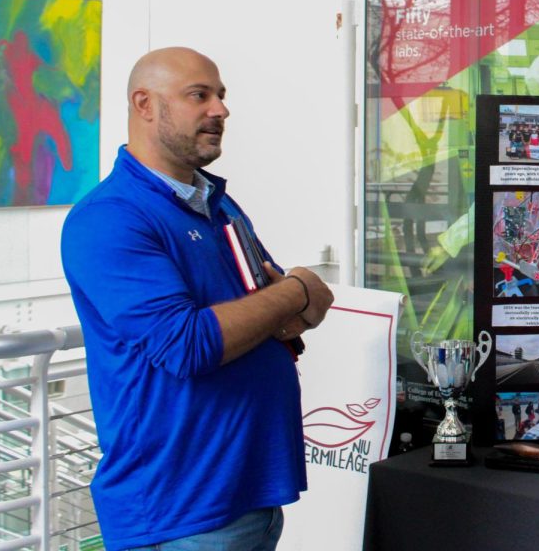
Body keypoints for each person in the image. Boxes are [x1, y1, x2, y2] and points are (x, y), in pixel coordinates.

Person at [60, 47, 335, 550]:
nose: (221, 110)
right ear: (144, 104)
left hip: (249, 495)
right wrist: (297, 287)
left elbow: (301, 315)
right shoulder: (109, 218)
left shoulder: (218, 203)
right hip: (182, 512)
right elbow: (187, 344)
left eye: (221, 95)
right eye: (199, 95)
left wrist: (289, 301)